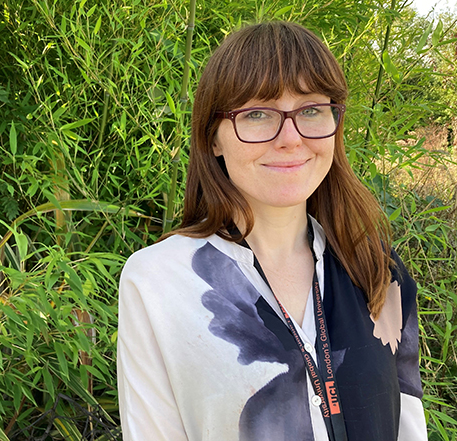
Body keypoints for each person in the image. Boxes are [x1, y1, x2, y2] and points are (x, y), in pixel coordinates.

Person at [116, 21, 427, 441]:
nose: (290, 138)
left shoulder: (378, 270)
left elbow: (410, 428)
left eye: (311, 110)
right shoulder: (157, 282)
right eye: (257, 114)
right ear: (213, 138)